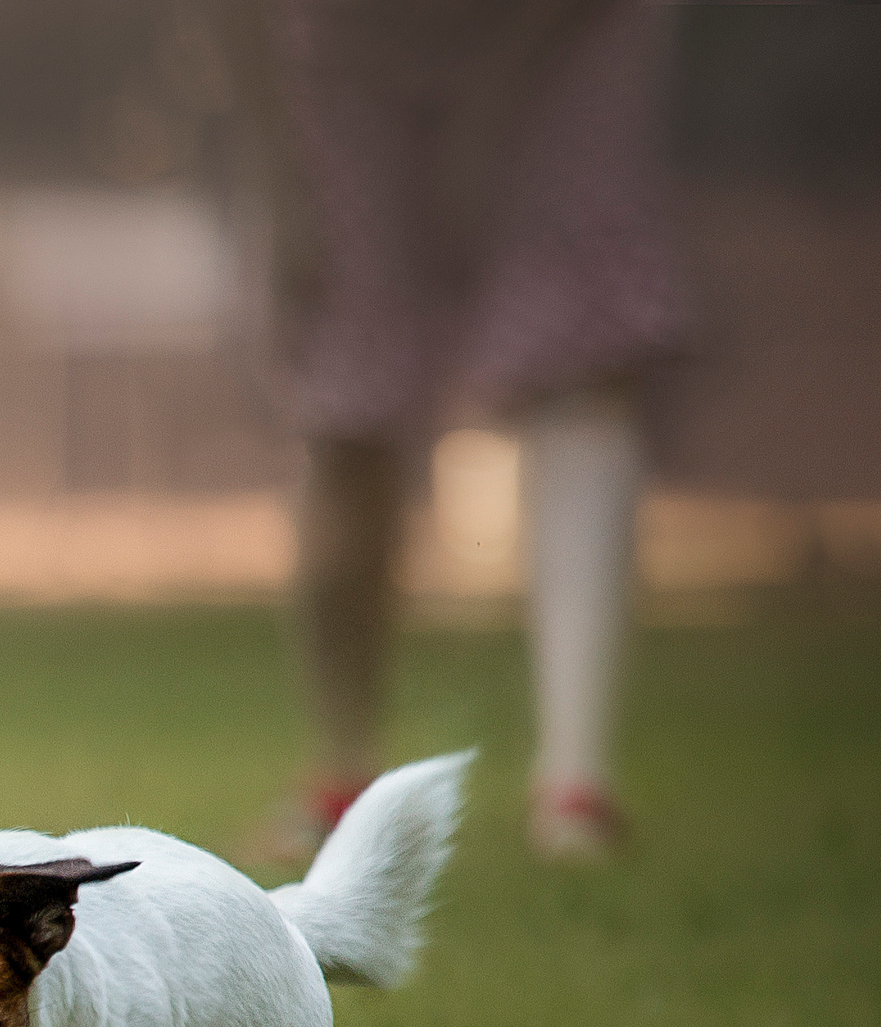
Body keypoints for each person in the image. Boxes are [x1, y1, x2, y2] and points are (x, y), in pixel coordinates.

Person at [253, 0, 689, 859]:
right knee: (350, 387)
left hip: (566, 30)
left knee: (582, 355)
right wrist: (276, 175)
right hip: (347, 52)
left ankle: (576, 786)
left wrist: (486, 116)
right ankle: (344, 776)